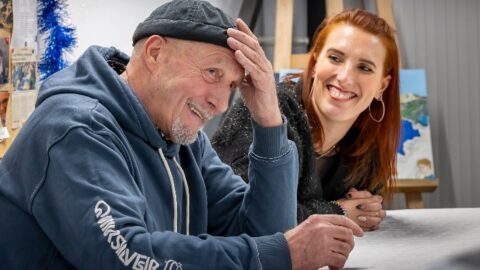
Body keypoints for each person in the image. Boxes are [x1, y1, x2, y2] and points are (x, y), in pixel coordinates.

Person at [0, 1, 362, 269]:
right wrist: (281, 253)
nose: (221, 104)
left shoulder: (182, 138)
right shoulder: (75, 129)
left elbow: (262, 232)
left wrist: (268, 118)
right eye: (212, 73)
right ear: (156, 52)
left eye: (234, 85)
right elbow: (126, 255)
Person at [212, 8, 401, 232]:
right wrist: (336, 212)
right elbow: (243, 214)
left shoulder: (368, 139)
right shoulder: (268, 108)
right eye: (335, 58)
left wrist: (366, 209)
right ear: (315, 62)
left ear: (382, 86)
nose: (345, 77)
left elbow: (362, 209)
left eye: (364, 67)